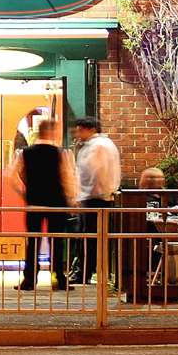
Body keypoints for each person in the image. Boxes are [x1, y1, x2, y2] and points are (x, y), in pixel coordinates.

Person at [8, 118, 81, 291]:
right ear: (52, 132)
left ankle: (29, 280)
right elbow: (68, 178)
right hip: (57, 203)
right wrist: (72, 199)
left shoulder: (25, 153)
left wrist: (24, 192)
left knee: (32, 241)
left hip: (34, 203)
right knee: (57, 241)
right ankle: (58, 279)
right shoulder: (62, 153)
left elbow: (10, 176)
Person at [71, 116, 122, 285]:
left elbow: (93, 173)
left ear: (90, 129)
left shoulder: (97, 146)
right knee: (91, 238)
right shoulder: (102, 144)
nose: (77, 133)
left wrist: (81, 195)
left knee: (88, 238)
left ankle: (84, 272)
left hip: (95, 198)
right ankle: (91, 272)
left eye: (80, 129)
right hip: (98, 197)